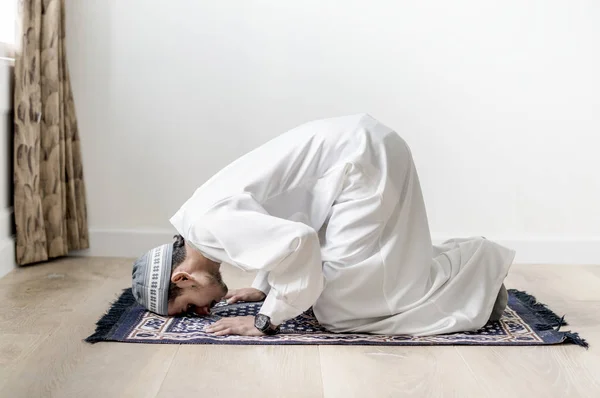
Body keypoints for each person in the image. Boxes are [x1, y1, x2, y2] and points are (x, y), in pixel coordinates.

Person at [131, 113, 514, 337]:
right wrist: (265, 287)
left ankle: (478, 280)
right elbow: (277, 223)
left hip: (359, 163)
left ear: (183, 279)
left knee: (339, 307)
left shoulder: (211, 226)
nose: (201, 314)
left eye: (186, 309)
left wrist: (265, 321)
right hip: (360, 150)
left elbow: (297, 241)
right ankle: (467, 279)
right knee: (347, 281)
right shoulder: (199, 221)